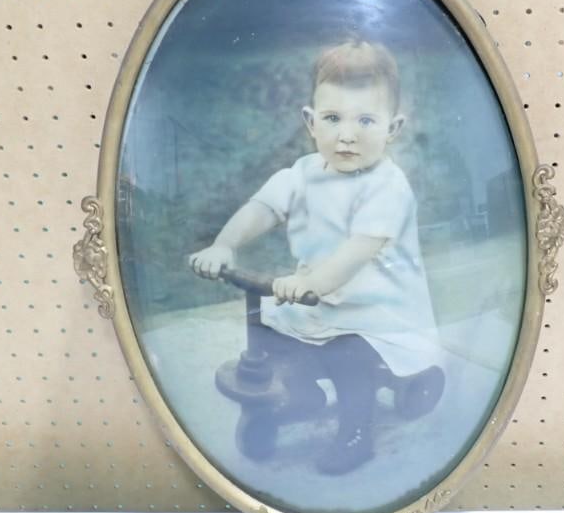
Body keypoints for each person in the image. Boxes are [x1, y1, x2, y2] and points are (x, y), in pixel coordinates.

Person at [189, 41, 441, 475]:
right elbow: (261, 209)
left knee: (347, 355)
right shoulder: (302, 173)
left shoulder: (387, 185)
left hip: (377, 315)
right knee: (267, 331)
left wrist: (313, 283)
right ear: (310, 121)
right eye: (333, 118)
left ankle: (356, 434)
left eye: (366, 120)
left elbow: (357, 250)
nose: (347, 134)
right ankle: (301, 395)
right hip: (318, 302)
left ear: (393, 128)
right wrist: (225, 244)